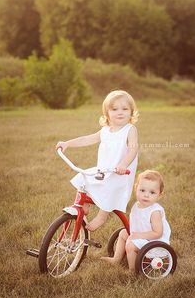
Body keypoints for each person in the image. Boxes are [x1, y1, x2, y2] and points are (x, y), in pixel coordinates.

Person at [56, 90, 139, 231]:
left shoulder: (129, 130)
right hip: (104, 169)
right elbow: (87, 139)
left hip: (119, 173)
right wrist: (68, 143)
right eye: (115, 109)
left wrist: (123, 164)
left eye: (125, 109)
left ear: (131, 112)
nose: (120, 112)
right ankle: (84, 205)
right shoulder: (106, 130)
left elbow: (133, 149)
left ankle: (101, 217)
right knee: (84, 178)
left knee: (109, 190)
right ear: (107, 113)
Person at [101, 170, 171, 272]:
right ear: (136, 188)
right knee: (123, 233)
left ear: (159, 195)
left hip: (154, 242)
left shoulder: (155, 212)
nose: (146, 195)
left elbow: (157, 233)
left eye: (152, 192)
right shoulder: (137, 205)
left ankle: (133, 270)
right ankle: (116, 259)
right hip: (142, 236)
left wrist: (138, 236)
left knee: (131, 246)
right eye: (142, 190)